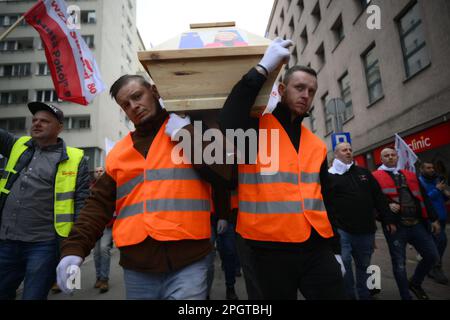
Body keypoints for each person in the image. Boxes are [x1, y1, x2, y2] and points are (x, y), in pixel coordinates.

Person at [56, 75, 222, 300]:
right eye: (126, 104)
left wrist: (187, 134)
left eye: (137, 96)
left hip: (190, 262)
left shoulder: (188, 129)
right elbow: (97, 204)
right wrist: (74, 249)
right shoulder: (120, 153)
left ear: (154, 91)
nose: (134, 106)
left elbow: (225, 171)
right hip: (138, 268)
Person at [218, 38, 346, 300]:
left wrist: (335, 249)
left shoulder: (316, 144)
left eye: (311, 91)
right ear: (283, 89)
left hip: (316, 247)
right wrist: (263, 67)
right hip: (267, 250)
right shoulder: (255, 128)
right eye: (300, 88)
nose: (306, 95)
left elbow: (325, 200)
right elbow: (228, 116)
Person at [0, 102, 89, 300]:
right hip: (6, 240)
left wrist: (75, 247)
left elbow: (82, 204)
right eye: (35, 120)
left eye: (45, 121)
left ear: (59, 127)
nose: (37, 124)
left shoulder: (75, 159)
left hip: (43, 246)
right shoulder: (17, 146)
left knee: (33, 296)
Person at [325, 142, 394, 299]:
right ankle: (349, 295)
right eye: (344, 150)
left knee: (364, 266)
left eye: (350, 149)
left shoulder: (363, 173)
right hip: (343, 230)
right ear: (336, 154)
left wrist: (387, 220)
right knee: (345, 265)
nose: (348, 152)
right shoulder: (330, 176)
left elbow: (378, 197)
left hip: (366, 230)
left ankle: (364, 295)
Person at [372, 148, 441, 300]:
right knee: (399, 264)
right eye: (386, 156)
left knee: (432, 256)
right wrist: (387, 205)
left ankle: (415, 283)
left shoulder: (409, 174)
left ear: (397, 157)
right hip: (395, 227)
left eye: (392, 155)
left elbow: (423, 197)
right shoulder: (374, 177)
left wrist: (433, 219)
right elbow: (371, 200)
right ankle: (406, 296)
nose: (390, 157)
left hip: (417, 224)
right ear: (381, 159)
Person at [419, 161, 449, 284]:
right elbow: (423, 200)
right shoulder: (420, 182)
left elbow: (442, 197)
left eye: (432, 167)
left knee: (437, 243)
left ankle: (430, 266)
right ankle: (435, 267)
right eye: (428, 168)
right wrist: (437, 190)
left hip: (442, 218)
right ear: (422, 170)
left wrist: (445, 193)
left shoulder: (437, 180)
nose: (432, 169)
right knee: (441, 241)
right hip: (431, 219)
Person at [92, 166, 115, 293]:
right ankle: (98, 278)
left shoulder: (110, 186)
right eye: (97, 171)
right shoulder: (91, 188)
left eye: (101, 171)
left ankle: (104, 279)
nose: (99, 173)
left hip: (107, 224)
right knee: (96, 253)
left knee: (104, 249)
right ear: (94, 174)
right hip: (96, 225)